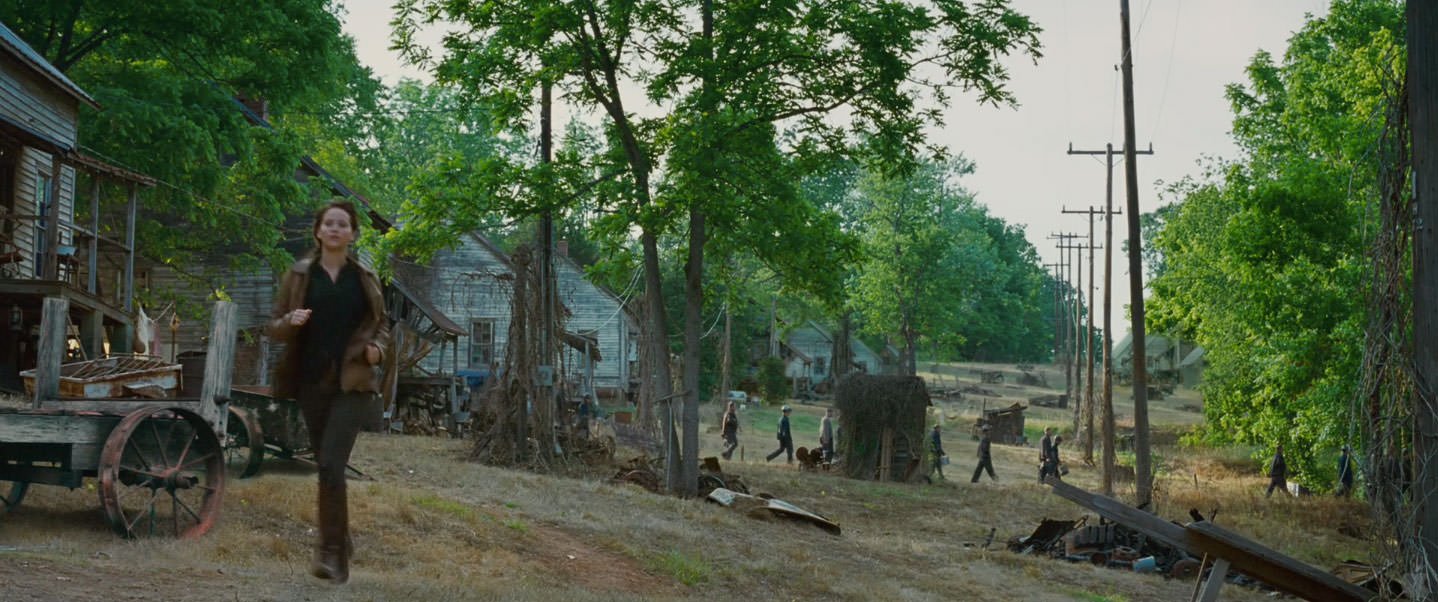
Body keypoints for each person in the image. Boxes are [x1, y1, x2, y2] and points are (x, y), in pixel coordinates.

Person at [268, 201, 390, 584]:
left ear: (352, 234)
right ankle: (341, 535)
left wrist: (378, 349)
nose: (336, 229)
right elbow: (274, 327)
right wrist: (290, 320)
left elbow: (383, 324)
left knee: (330, 465)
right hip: (310, 381)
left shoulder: (364, 277)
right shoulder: (299, 275)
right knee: (326, 465)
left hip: (352, 383)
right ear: (318, 231)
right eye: (329, 223)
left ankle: (331, 554)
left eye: (343, 224)